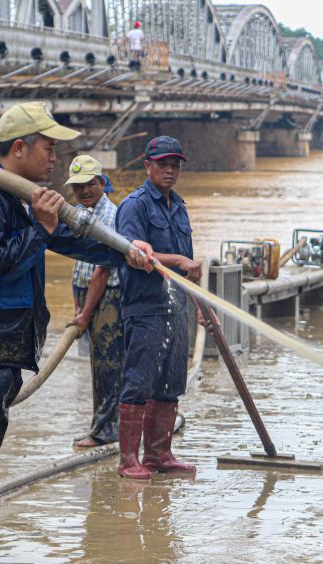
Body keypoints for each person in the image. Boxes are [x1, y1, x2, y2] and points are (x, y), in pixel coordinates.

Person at [0, 102, 152, 564]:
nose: (56, 157)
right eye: (49, 147)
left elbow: (71, 240)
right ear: (20, 148)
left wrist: (127, 252)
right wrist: (42, 228)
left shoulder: (20, 199)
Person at [115, 136, 201, 480]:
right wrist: (178, 259)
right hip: (146, 306)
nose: (170, 170)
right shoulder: (134, 206)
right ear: (147, 165)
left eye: (175, 164)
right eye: (163, 164)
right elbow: (130, 253)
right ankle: (128, 461)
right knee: (139, 382)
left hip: (176, 306)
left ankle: (159, 454)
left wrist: (201, 309)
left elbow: (190, 266)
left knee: (171, 382)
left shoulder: (178, 206)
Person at [66, 155, 124, 449]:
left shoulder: (109, 217)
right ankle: (102, 426)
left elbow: (101, 269)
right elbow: (79, 268)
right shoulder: (78, 213)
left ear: (102, 183)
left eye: (90, 184)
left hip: (107, 299)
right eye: (78, 186)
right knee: (97, 364)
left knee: (107, 366)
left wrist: (86, 312)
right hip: (89, 299)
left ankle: (104, 432)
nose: (84, 191)